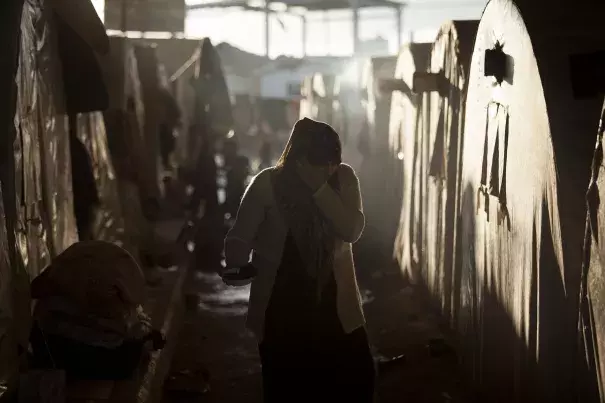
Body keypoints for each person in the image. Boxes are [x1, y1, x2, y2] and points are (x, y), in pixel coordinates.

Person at [222, 117, 375, 402]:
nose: (330, 169)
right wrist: (237, 260)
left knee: (356, 381)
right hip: (282, 309)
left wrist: (320, 189)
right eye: (322, 163)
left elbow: (351, 229)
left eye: (333, 162)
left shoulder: (343, 180)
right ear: (300, 160)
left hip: (334, 307)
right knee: (288, 387)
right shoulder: (268, 183)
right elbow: (241, 235)